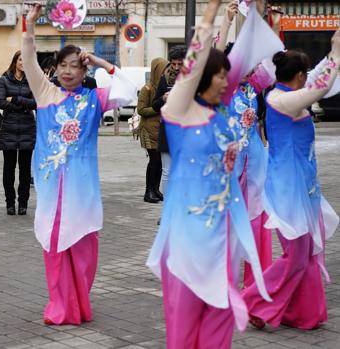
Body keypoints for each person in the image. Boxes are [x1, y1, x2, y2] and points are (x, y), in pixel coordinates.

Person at [146, 1, 281, 347]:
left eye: (228, 75)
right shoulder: (180, 112)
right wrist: (214, 14)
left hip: (221, 234)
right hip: (187, 238)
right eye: (220, 75)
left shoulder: (221, 112)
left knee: (221, 315)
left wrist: (262, 17)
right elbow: (200, 60)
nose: (227, 80)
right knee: (186, 323)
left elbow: (257, 58)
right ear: (201, 78)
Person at [23, 4, 138, 325]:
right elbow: (29, 59)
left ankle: (79, 303)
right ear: (56, 69)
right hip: (52, 192)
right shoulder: (45, 94)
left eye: (76, 66)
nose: (69, 71)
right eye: (64, 65)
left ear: (84, 71)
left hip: (84, 192)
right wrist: (29, 26)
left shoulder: (94, 100)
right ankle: (60, 306)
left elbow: (129, 91)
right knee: (56, 248)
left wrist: (101, 61)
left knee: (86, 251)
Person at [243, 32, 340, 330]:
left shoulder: (287, 93)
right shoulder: (278, 99)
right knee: (297, 256)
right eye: (305, 75)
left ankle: (303, 314)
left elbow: (320, 76)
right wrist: (336, 54)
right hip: (287, 191)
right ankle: (251, 303)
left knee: (308, 254)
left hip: (305, 189)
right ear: (299, 75)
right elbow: (318, 89)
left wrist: (335, 48)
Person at [216, 0, 274, 287]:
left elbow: (272, 59)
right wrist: (226, 22)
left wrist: (257, 16)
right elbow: (212, 58)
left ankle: (256, 285)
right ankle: (223, 282)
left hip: (255, 164)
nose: (251, 67)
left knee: (256, 223)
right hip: (227, 166)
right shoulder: (223, 88)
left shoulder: (256, 85)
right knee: (225, 223)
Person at [0, 50, 36, 215]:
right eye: (20, 60)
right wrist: (23, 106)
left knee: (25, 170)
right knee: (9, 169)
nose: (23, 63)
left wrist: (17, 100)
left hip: (27, 128)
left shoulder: (33, 80)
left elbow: (36, 102)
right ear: (15, 61)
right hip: (9, 129)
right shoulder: (4, 79)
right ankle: (10, 203)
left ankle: (23, 203)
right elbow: (1, 103)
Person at [152, 45, 186, 195]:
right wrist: (163, 98)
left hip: (187, 130)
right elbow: (154, 105)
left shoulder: (193, 79)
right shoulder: (165, 78)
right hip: (167, 130)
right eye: (174, 64)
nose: (177, 67)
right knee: (167, 171)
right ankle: (167, 212)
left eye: (180, 63)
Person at [137, 58, 168, 204]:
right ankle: (148, 191)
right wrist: (158, 108)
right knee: (154, 161)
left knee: (161, 163)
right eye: (162, 70)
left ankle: (156, 189)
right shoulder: (147, 89)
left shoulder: (164, 88)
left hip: (160, 130)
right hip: (148, 131)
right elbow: (141, 110)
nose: (164, 73)